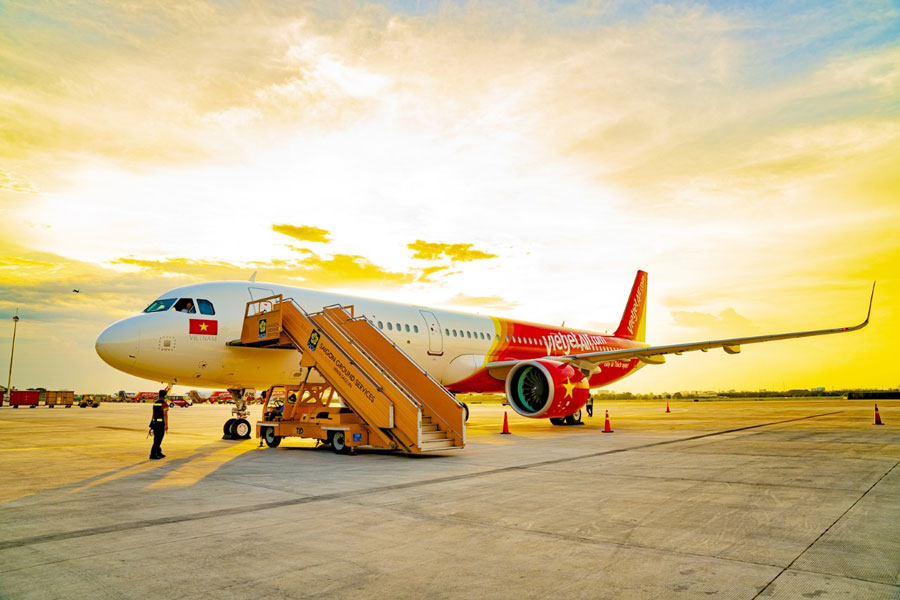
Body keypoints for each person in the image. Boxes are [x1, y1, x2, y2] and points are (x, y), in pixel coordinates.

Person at [149, 389, 169, 460]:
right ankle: (153, 454)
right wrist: (166, 425)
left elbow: (153, 414)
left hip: (155, 423)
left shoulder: (155, 403)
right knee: (158, 440)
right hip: (160, 424)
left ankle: (158, 452)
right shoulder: (164, 404)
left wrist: (151, 424)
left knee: (156, 439)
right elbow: (165, 415)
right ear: (165, 396)